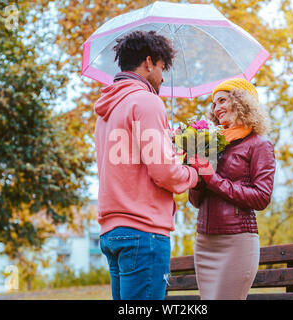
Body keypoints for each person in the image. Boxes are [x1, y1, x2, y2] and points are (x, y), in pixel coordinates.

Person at [94, 30, 198, 300]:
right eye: (163, 68)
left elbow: (130, 164)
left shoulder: (107, 110)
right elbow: (165, 173)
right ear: (149, 62)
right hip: (144, 231)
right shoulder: (146, 101)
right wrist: (193, 173)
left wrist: (168, 143)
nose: (163, 77)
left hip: (112, 231)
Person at [188, 78, 276, 300]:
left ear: (242, 102)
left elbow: (261, 198)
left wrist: (212, 178)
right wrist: (196, 176)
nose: (217, 109)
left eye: (222, 101)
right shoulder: (212, 144)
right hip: (205, 242)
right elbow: (196, 201)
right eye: (214, 104)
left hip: (237, 241)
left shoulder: (259, 144)